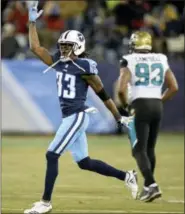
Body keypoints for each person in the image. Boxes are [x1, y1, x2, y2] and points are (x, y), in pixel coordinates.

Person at [24, 2, 138, 214]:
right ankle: (127, 176)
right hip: (69, 116)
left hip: (76, 116)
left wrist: (118, 117)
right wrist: (32, 22)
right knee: (84, 162)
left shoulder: (85, 67)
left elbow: (102, 94)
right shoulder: (58, 62)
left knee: (51, 155)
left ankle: (45, 203)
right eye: (62, 45)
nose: (63, 49)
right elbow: (35, 48)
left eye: (67, 46)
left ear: (78, 47)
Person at [117, 31, 178, 202]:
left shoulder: (129, 59)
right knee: (149, 148)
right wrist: (159, 101)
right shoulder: (161, 58)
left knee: (138, 149)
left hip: (139, 104)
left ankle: (151, 184)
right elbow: (174, 87)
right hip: (157, 105)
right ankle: (147, 187)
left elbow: (121, 89)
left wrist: (126, 106)